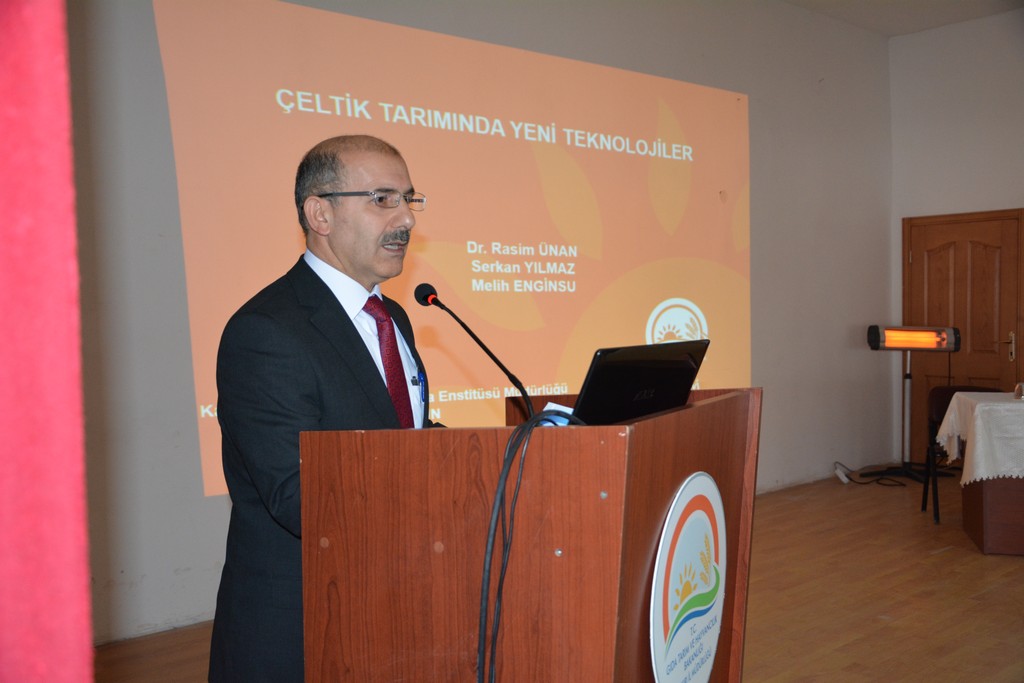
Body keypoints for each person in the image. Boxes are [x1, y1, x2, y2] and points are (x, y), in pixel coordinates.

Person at [208, 135, 436, 682]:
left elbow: (399, 431)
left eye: (409, 199)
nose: (406, 218)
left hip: (390, 608)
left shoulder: (393, 317)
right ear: (320, 215)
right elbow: (299, 496)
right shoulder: (267, 331)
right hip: (304, 624)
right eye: (382, 199)